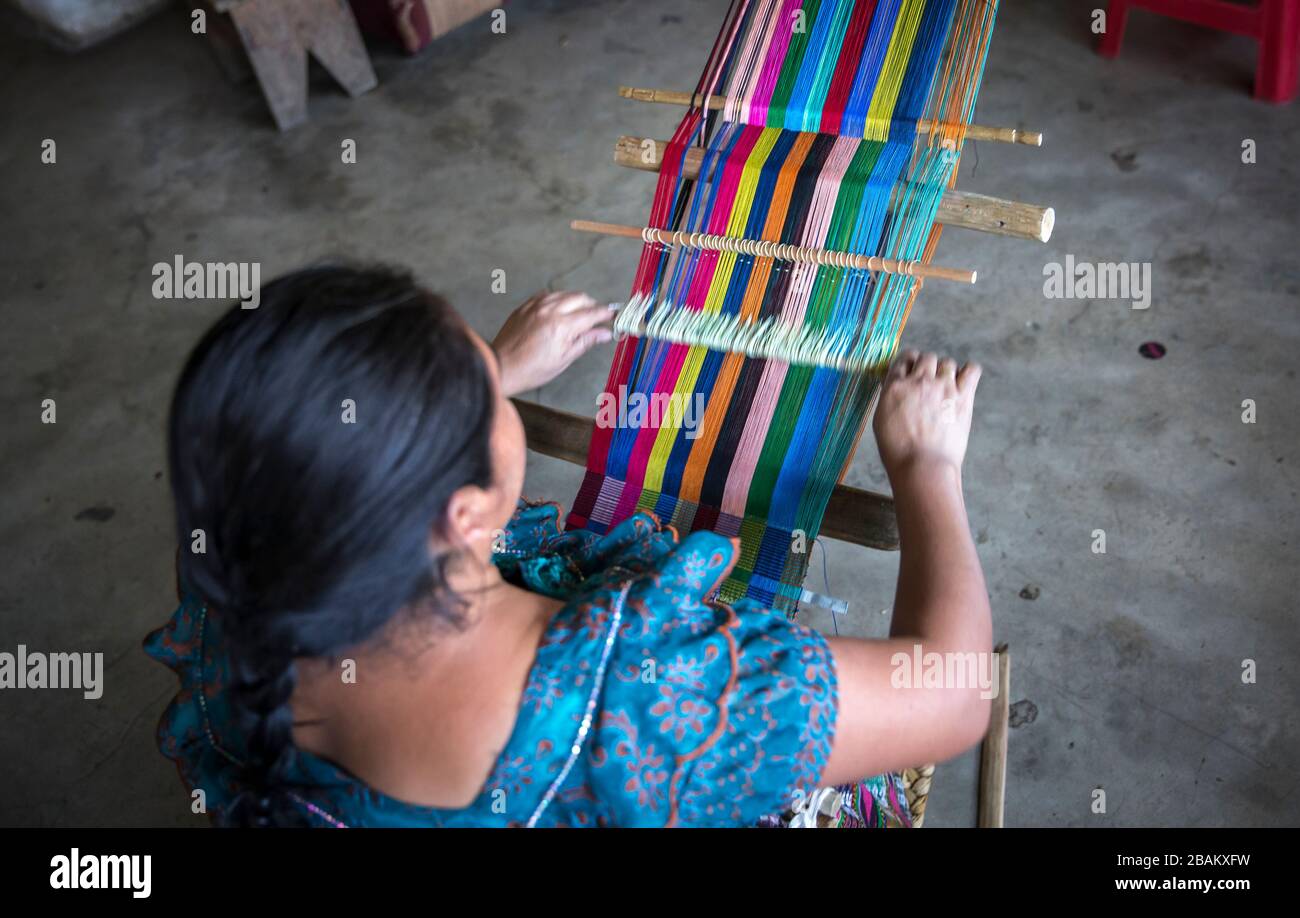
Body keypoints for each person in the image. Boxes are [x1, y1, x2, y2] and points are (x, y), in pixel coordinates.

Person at [145, 264, 991, 828]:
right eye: (488, 392)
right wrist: (927, 465)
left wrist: (496, 374)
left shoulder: (240, 576)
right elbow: (954, 696)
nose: (496, 372)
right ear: (468, 514)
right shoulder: (638, 701)